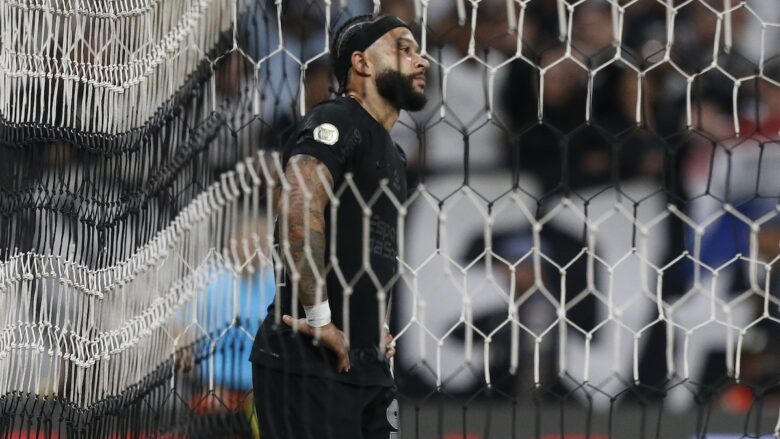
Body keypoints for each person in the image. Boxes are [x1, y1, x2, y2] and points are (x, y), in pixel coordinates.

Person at [250, 13, 429, 439]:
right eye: (403, 49)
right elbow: (299, 205)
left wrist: (373, 327)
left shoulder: (394, 154)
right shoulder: (336, 119)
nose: (421, 60)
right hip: (308, 357)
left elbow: (368, 248)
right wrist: (318, 317)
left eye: (419, 51)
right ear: (362, 63)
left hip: (366, 363)